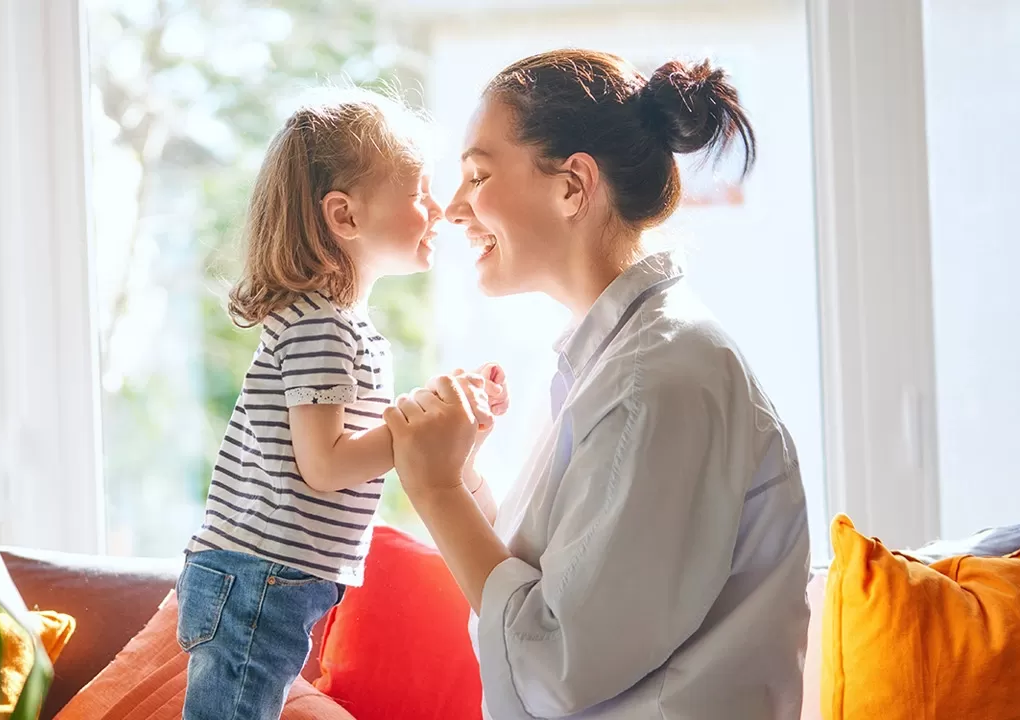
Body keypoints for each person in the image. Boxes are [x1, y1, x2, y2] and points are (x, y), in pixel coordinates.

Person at [383, 50, 811, 719]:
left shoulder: (657, 381)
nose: (453, 208)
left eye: (477, 175)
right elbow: (567, 591)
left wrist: (435, 491)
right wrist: (462, 478)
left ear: (573, 186)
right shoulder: (616, 364)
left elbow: (555, 666)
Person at [175, 88, 500, 720]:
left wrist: (434, 418)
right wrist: (421, 424)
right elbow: (323, 466)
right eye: (418, 192)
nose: (439, 208)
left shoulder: (337, 327)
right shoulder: (322, 327)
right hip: (258, 578)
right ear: (344, 216)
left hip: (265, 579)